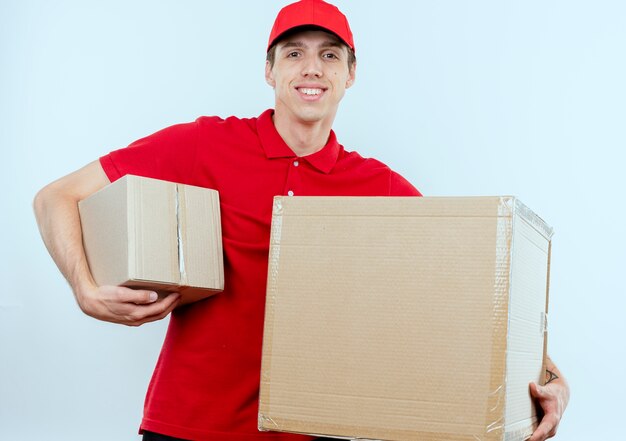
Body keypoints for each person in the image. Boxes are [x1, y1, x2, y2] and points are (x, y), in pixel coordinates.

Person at [33, 1, 569, 440]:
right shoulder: (204, 144)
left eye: (330, 55)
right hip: (188, 426)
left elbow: (473, 289)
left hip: (316, 430)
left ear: (350, 75)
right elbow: (55, 196)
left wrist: (551, 375)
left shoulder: (376, 185)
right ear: (270, 70)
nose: (312, 68)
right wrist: (83, 287)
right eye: (295, 53)